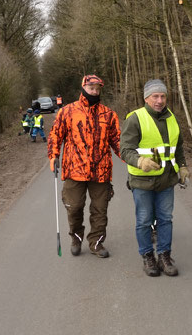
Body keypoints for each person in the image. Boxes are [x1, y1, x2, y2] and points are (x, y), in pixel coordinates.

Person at [48, 74, 120, 258]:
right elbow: (56, 135)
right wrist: (53, 155)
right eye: (91, 88)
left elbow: (118, 142)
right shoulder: (67, 111)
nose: (94, 91)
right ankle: (76, 238)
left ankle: (96, 243)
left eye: (97, 89)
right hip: (74, 170)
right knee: (74, 207)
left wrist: (135, 159)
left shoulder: (109, 114)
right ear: (83, 88)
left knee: (100, 209)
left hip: (101, 171)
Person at [121, 79, 188, 277]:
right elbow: (125, 149)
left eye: (162, 96)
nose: (159, 100)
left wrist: (182, 167)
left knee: (165, 219)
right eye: (155, 96)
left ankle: (164, 256)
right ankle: (147, 256)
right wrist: (140, 161)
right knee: (144, 220)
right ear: (146, 98)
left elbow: (179, 147)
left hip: (166, 180)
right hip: (142, 181)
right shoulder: (135, 118)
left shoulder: (172, 118)